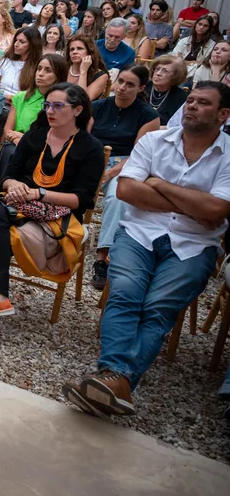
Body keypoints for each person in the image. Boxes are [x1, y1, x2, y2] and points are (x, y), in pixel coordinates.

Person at [63, 82, 230, 418]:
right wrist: (197, 204)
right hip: (139, 233)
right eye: (191, 100)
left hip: (194, 246)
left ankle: (110, 381)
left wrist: (158, 184)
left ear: (223, 115)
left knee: (156, 309)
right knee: (125, 294)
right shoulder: (155, 141)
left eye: (203, 103)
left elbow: (217, 211)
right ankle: (118, 382)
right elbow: (126, 191)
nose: (192, 106)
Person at [0, 82, 106, 338]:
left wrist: (40, 193)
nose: (50, 111)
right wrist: (16, 185)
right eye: (47, 105)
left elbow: (83, 200)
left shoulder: (90, 147)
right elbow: (8, 177)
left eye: (58, 106)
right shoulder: (35, 135)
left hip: (58, 218)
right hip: (21, 206)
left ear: (78, 110)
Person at [88, 65, 161, 289]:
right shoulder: (98, 106)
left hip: (126, 163)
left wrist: (109, 173)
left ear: (141, 88)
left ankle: (103, 257)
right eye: (120, 81)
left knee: (117, 197)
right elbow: (82, 139)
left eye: (130, 84)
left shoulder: (149, 115)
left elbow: (140, 154)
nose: (122, 88)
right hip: (93, 157)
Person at [0, 53, 69, 191]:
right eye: (39, 69)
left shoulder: (59, 103)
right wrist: (19, 141)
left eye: (47, 71)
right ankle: (3, 195)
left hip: (45, 147)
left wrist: (24, 140)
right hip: (14, 142)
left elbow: (56, 134)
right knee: (9, 151)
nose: (40, 74)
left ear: (58, 75)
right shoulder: (21, 97)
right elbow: (8, 130)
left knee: (14, 153)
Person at [0, 26, 43, 100]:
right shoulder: (5, 61)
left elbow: (35, 94)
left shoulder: (38, 67)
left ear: (32, 45)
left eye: (22, 42)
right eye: (16, 40)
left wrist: (13, 99)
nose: (16, 44)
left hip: (21, 105)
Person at [145, 55, 188, 124]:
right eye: (157, 69)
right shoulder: (142, 86)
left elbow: (176, 126)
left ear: (175, 76)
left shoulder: (181, 97)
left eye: (165, 71)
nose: (158, 73)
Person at [66, 34, 109, 100]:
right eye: (72, 49)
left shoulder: (101, 76)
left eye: (79, 48)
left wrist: (83, 71)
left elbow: (83, 99)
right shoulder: (64, 68)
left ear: (89, 52)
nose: (74, 52)